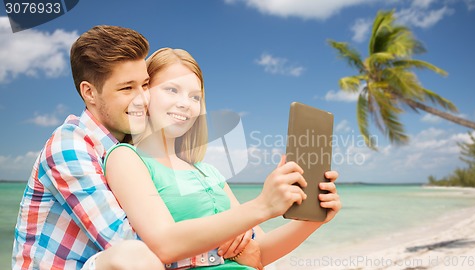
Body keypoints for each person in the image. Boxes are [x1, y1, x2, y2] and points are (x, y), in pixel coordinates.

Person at [103, 48, 342, 269]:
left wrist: (314, 220)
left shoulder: (208, 172)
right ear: (145, 94)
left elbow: (259, 254)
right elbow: (165, 244)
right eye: (172, 90)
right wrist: (262, 205)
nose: (185, 104)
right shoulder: (126, 157)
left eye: (195, 97)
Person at [13, 25, 174, 270]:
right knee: (132, 255)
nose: (143, 98)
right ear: (89, 92)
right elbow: (124, 239)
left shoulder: (133, 148)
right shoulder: (69, 145)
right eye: (127, 88)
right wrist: (213, 250)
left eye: (145, 84)